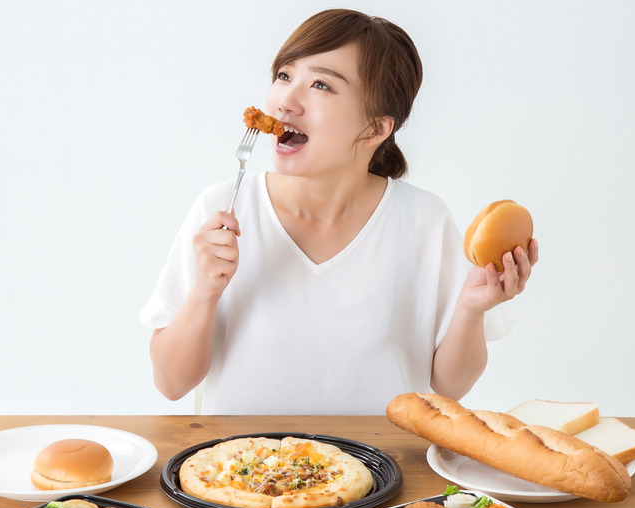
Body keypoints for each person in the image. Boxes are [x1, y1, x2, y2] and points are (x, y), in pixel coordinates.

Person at [140, 9, 538, 415]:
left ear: (376, 129)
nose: (286, 101)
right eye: (283, 76)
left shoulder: (424, 221)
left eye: (320, 84)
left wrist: (471, 309)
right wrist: (204, 295)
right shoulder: (223, 210)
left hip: (378, 472)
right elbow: (171, 384)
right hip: (236, 471)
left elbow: (451, 387)